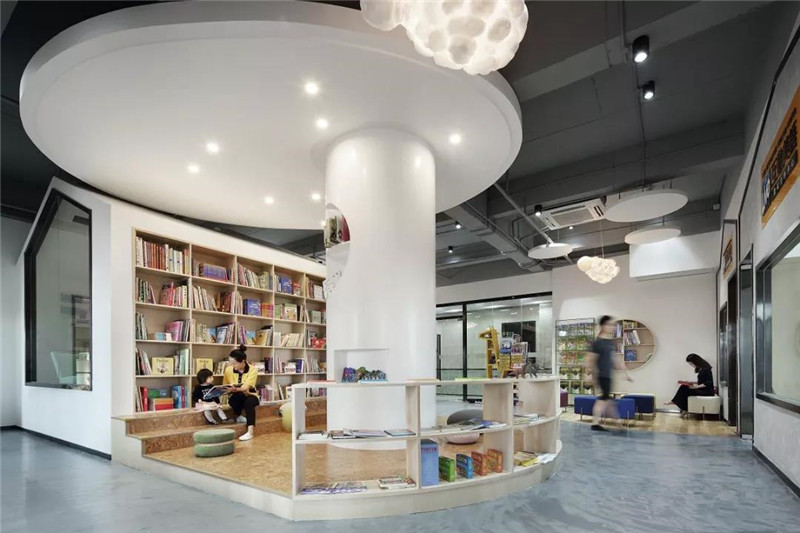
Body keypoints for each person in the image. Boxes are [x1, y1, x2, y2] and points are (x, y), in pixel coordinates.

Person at [587, 315, 632, 432]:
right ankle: (612, 423)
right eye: (610, 325)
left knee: (606, 399)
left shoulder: (609, 342)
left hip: (608, 375)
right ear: (603, 326)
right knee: (605, 399)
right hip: (602, 375)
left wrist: (624, 371)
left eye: (613, 325)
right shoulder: (598, 342)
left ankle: (600, 423)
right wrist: (591, 376)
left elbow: (614, 359)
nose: (613, 327)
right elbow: (591, 360)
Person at [223, 345, 260, 441]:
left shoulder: (253, 370)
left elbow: (245, 388)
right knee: (235, 398)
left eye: (234, 363)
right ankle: (239, 416)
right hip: (237, 397)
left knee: (250, 402)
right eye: (230, 363)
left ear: (243, 361)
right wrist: (226, 390)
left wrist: (235, 389)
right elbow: (225, 385)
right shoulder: (228, 370)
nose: (232, 365)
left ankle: (250, 431)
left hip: (250, 395)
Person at [667, 353, 715, 418]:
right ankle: (680, 405)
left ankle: (677, 404)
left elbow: (708, 383)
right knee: (684, 387)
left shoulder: (706, 369)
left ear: (696, 362)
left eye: (691, 364)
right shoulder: (702, 369)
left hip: (707, 392)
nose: (691, 365)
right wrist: (691, 382)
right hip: (703, 390)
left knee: (685, 389)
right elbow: (701, 382)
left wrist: (695, 387)